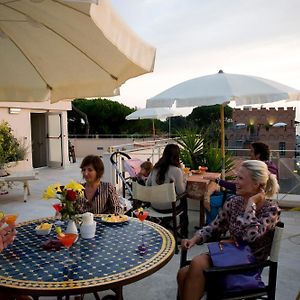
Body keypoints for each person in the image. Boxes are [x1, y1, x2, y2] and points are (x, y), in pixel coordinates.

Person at [177, 160, 280, 300]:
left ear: (257, 184)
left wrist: (251, 204)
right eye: (237, 177)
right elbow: (214, 227)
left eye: (241, 178)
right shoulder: (234, 202)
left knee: (197, 263)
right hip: (229, 255)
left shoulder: (271, 210)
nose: (235, 182)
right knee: (183, 273)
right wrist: (194, 239)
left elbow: (250, 236)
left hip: (248, 265)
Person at [204, 142, 279, 209]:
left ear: (258, 155)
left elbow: (237, 187)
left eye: (252, 151)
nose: (250, 154)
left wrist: (218, 181)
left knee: (212, 201)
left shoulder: (259, 170)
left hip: (245, 199)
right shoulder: (271, 166)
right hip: (246, 198)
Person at [146, 144, 186, 211]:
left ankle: (165, 221)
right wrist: (184, 180)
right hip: (170, 207)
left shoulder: (155, 168)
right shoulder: (176, 170)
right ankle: (184, 221)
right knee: (184, 199)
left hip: (154, 205)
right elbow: (181, 192)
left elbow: (147, 184)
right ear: (177, 156)